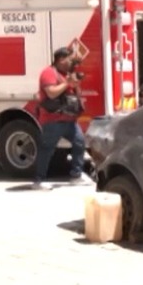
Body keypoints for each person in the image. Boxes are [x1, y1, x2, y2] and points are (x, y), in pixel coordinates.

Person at [32, 47, 90, 190]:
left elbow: (74, 93)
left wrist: (75, 85)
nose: (71, 62)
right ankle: (39, 180)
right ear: (61, 60)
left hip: (69, 120)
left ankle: (76, 175)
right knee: (47, 149)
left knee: (79, 142)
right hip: (53, 119)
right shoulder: (48, 73)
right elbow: (51, 93)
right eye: (69, 59)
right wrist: (67, 83)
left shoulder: (67, 74)